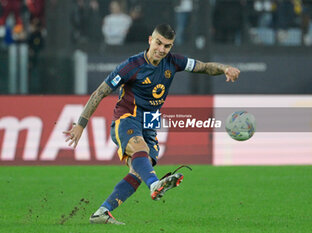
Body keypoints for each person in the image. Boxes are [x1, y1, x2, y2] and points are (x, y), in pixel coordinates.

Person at [63, 24, 240, 225]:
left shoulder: (174, 62)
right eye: (158, 43)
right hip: (127, 119)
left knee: (139, 171)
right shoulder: (131, 66)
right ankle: (155, 184)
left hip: (150, 122)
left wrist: (226, 68)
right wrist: (80, 124)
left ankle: (102, 212)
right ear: (150, 40)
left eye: (167, 45)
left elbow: (205, 67)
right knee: (141, 150)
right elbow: (100, 92)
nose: (162, 49)